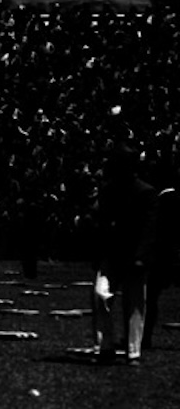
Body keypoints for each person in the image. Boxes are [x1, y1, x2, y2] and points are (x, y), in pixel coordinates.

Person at [91, 143, 158, 365]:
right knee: (101, 296)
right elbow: (101, 223)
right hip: (113, 253)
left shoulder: (145, 192)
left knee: (135, 305)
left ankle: (133, 351)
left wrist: (141, 256)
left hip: (133, 255)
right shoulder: (108, 190)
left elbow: (149, 229)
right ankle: (106, 345)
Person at [145, 161, 178, 349]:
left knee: (150, 297)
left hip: (163, 255)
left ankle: (145, 336)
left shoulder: (165, 201)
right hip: (169, 254)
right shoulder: (172, 198)